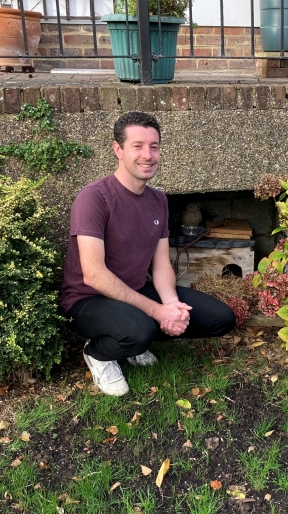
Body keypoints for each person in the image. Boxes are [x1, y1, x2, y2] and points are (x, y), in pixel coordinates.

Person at [60, 111, 235, 396]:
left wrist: (171, 307)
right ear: (118, 149)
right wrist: (156, 311)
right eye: (137, 146)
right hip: (87, 299)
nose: (148, 155)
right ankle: (99, 353)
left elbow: (162, 263)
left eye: (154, 146)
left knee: (220, 319)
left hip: (135, 289)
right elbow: (94, 274)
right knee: (141, 331)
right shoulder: (94, 198)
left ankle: (135, 340)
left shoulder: (158, 200)